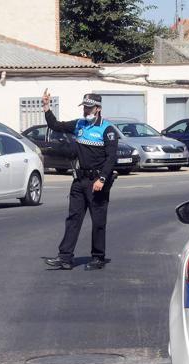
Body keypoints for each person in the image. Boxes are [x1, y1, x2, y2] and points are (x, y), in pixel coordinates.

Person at [42, 90, 118, 271]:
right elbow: (56, 125)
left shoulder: (107, 129)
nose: (86, 110)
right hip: (79, 180)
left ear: (98, 109)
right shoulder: (79, 124)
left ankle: (98, 257)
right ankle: (65, 257)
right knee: (73, 219)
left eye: (89, 107)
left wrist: (102, 179)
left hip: (97, 182)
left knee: (98, 221)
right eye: (84, 107)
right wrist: (46, 107)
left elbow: (111, 158)